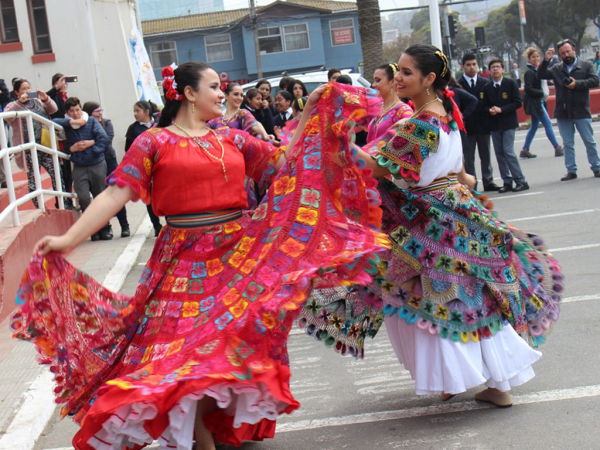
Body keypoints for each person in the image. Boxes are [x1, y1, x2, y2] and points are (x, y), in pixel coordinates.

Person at [12, 61, 387, 450]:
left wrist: (310, 112)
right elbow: (114, 193)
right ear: (189, 94)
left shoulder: (232, 138)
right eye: (213, 86)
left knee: (223, 347)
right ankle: (200, 435)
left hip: (237, 253)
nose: (221, 93)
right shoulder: (153, 142)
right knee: (182, 351)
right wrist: (69, 238)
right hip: (182, 258)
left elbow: (283, 162)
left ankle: (206, 424)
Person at [302, 44, 562, 408]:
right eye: (398, 72)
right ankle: (484, 383)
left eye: (407, 73)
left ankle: (464, 379)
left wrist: (335, 133)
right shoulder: (447, 115)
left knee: (433, 301)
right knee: (471, 299)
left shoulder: (421, 124)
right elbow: (464, 177)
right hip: (455, 213)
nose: (399, 79)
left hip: (430, 222)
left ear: (428, 79)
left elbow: (376, 167)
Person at [538, 39, 600, 180]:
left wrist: (576, 84)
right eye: (563, 53)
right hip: (563, 112)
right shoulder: (557, 69)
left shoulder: (586, 65)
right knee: (567, 143)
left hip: (581, 110)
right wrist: (546, 60)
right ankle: (571, 170)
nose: (566, 55)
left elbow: (595, 81)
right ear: (560, 56)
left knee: (589, 141)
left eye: (568, 51)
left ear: (574, 50)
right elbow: (541, 75)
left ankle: (596, 167)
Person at [53, 97, 111, 240]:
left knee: (100, 197)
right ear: (67, 112)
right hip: (79, 165)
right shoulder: (67, 124)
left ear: (81, 109)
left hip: (96, 163)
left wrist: (90, 147)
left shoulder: (90, 121)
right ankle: (92, 228)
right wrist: (70, 148)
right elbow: (52, 122)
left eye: (78, 110)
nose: (76, 113)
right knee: (83, 197)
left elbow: (103, 139)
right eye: (72, 111)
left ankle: (105, 227)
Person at [4, 79, 64, 208]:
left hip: (45, 145)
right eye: (24, 89)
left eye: (28, 88)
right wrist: (20, 102)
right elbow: (7, 116)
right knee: (33, 179)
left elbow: (53, 109)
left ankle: (62, 203)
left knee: (56, 173)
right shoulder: (14, 105)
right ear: (16, 92)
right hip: (29, 150)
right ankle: (39, 206)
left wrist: (45, 98)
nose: (27, 91)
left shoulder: (37, 102)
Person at [83, 101, 130, 238]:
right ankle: (105, 227)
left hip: (109, 161)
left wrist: (91, 143)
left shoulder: (107, 123)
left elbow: (106, 140)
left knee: (116, 194)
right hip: (93, 162)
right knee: (99, 195)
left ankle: (124, 225)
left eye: (100, 110)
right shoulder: (84, 126)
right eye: (96, 111)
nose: (100, 113)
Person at [483, 58, 529, 193]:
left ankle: (520, 180)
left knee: (508, 151)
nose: (495, 69)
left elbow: (517, 102)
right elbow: (484, 105)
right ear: (490, 71)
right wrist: (489, 110)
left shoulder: (510, 84)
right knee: (499, 153)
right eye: (493, 67)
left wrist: (501, 109)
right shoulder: (487, 87)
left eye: (498, 67)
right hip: (494, 124)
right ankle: (507, 181)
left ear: (503, 69)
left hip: (508, 122)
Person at [458, 54, 499, 192]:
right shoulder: (458, 85)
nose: (471, 67)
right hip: (467, 127)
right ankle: (472, 184)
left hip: (483, 125)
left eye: (474, 64)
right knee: (469, 159)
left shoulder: (485, 83)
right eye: (468, 65)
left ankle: (488, 181)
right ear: (463, 67)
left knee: (485, 156)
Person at [125, 100, 163, 236]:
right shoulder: (133, 129)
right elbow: (128, 150)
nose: (135, 114)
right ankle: (157, 226)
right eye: (134, 111)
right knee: (150, 198)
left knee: (165, 194)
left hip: (162, 166)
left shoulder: (160, 123)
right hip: (146, 169)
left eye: (138, 111)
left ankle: (170, 222)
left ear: (147, 112)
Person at [521, 47, 563, 159]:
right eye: (533, 57)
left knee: (534, 126)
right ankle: (557, 147)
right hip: (536, 101)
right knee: (548, 123)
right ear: (528, 59)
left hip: (541, 101)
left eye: (537, 56)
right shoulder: (530, 72)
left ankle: (525, 149)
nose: (536, 59)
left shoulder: (538, 69)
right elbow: (528, 88)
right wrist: (541, 93)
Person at [367, 63, 413, 144]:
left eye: (378, 80)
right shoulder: (376, 108)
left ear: (392, 82)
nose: (373, 85)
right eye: (374, 81)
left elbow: (411, 128)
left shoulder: (403, 110)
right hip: (368, 156)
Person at [47, 73, 74, 208]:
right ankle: (62, 201)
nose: (63, 84)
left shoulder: (66, 98)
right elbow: (47, 100)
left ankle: (68, 199)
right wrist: (56, 88)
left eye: (65, 82)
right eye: (60, 82)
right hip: (56, 139)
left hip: (66, 138)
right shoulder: (52, 97)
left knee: (69, 173)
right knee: (60, 172)